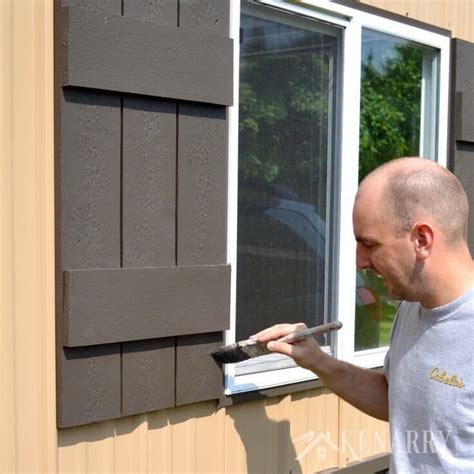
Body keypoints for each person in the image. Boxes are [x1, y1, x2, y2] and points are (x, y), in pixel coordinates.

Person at [251, 157, 474, 472]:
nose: (360, 262)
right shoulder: (413, 308)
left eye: (369, 244)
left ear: (421, 240)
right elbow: (396, 399)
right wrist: (317, 360)